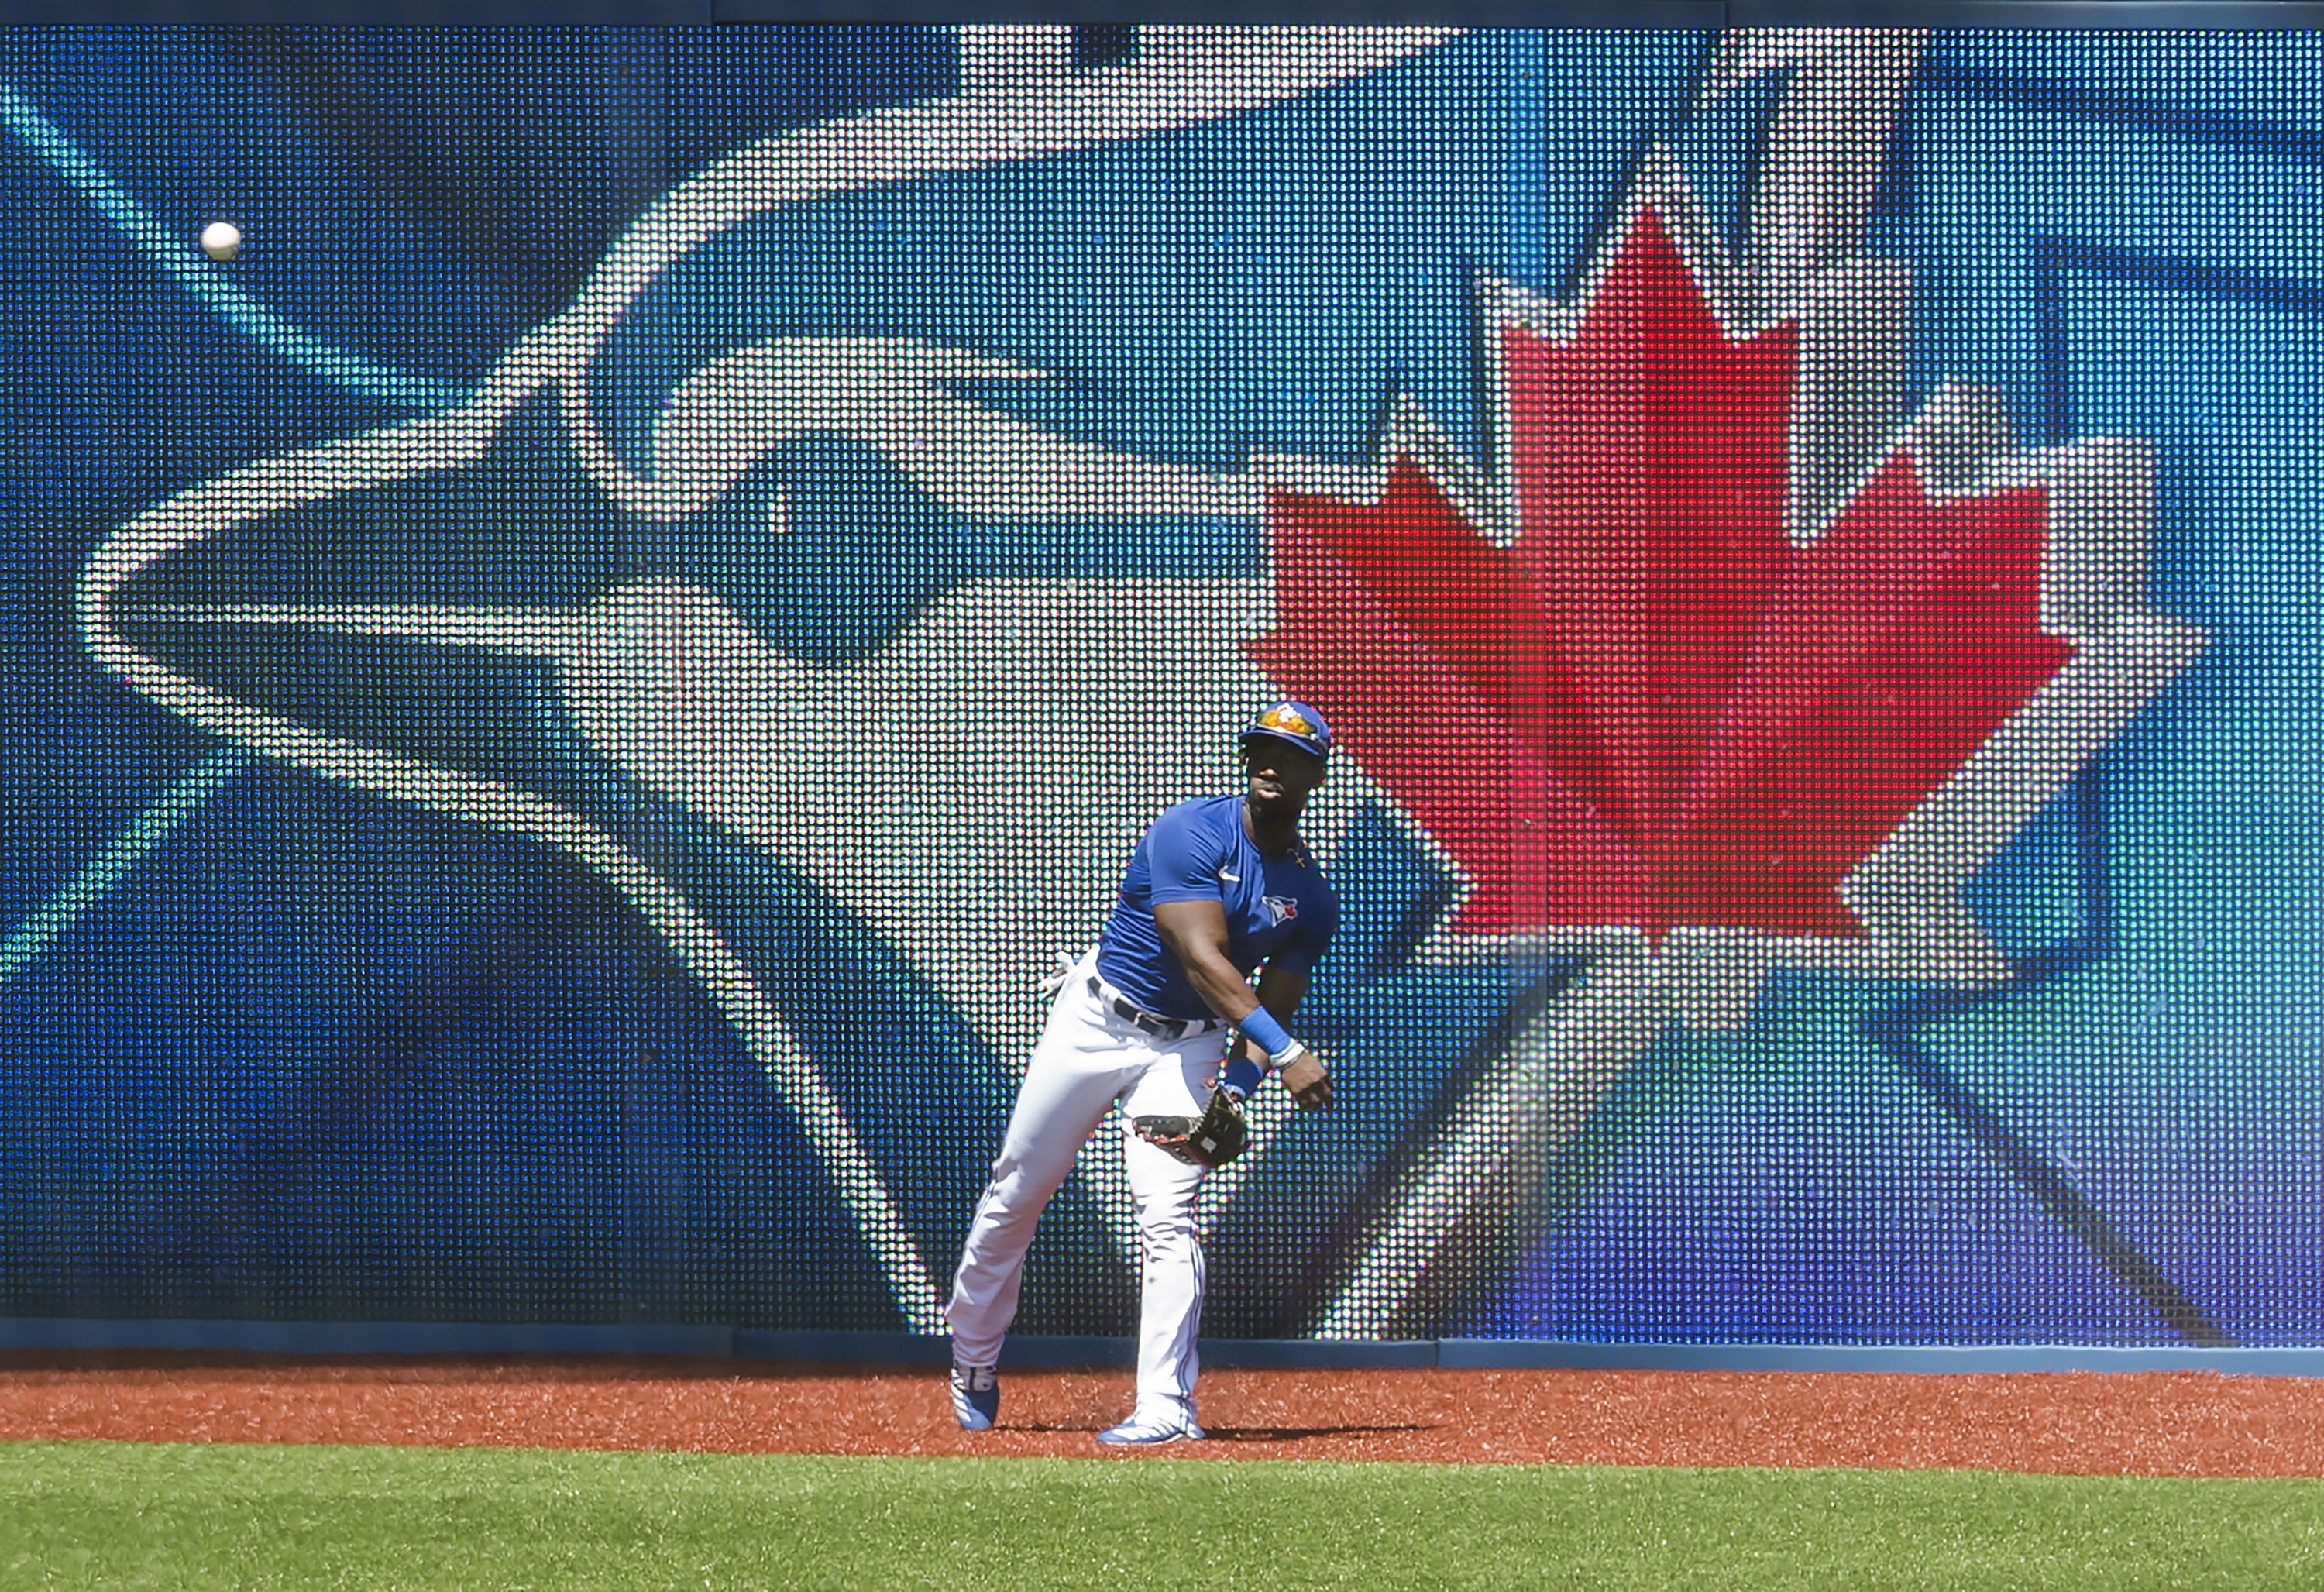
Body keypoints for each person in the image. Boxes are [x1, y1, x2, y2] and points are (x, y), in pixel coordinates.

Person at [944, 701, 1341, 1443]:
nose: (1267, 762)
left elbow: (1270, 1008)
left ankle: (1165, 1405)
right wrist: (1288, 1056)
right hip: (1096, 1019)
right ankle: (972, 1354)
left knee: (1168, 1216)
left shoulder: (1310, 898)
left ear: (1314, 774)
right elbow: (1204, 957)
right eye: (1258, 747)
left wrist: (1238, 1089)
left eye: (1287, 755)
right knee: (1018, 1190)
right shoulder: (1191, 830)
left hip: (1187, 1047)